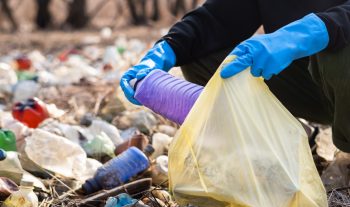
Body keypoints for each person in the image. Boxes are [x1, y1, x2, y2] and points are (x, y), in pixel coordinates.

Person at [120, 0, 350, 153]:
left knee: (340, 47)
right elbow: (217, 18)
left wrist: (313, 31)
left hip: (342, 67)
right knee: (201, 55)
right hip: (311, 84)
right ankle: (276, 145)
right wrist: (167, 49)